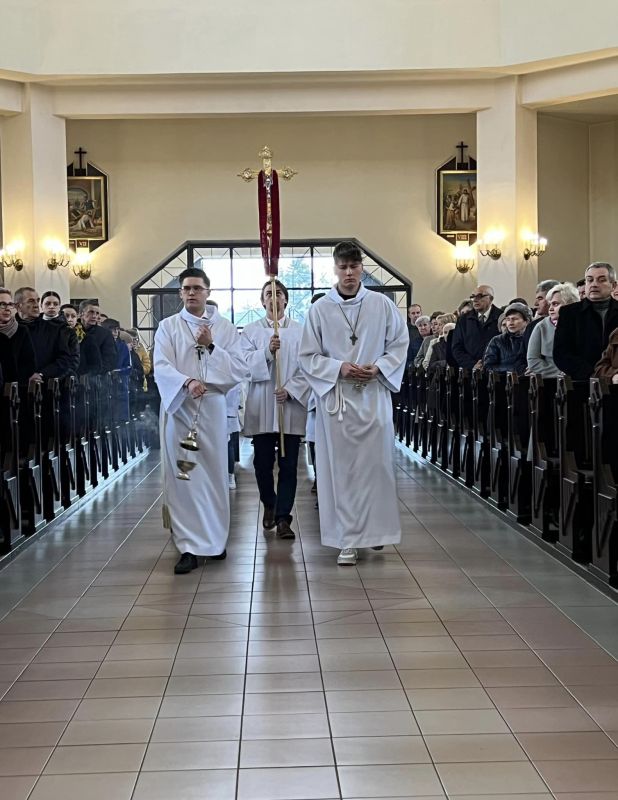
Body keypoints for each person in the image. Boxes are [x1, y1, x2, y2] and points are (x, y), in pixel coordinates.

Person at [299, 241, 408, 566]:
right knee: (342, 471)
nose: (348, 273)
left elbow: (399, 344)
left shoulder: (381, 304)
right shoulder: (320, 309)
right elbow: (307, 356)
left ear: (362, 267)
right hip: (338, 401)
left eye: (354, 266)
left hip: (373, 396)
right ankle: (347, 540)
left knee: (376, 469)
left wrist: (380, 367)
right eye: (343, 267)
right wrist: (339, 367)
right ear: (334, 269)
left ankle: (375, 532)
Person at [154, 267, 248, 574]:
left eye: (197, 288)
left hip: (212, 409)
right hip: (180, 408)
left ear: (208, 292)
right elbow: (161, 366)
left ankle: (215, 540)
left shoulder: (225, 328)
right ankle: (188, 546)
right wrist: (187, 382)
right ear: (180, 293)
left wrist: (211, 345)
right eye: (186, 288)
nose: (191, 293)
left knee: (213, 474)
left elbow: (239, 370)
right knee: (185, 476)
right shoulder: (168, 326)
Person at [240, 279, 310, 540]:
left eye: (278, 293)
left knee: (289, 465)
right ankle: (269, 502)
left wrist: (290, 389)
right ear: (262, 301)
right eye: (268, 294)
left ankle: (283, 518)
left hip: (288, 406)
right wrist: (267, 353)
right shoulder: (250, 331)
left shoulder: (301, 332)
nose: (273, 297)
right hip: (262, 404)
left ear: (285, 299)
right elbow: (243, 365)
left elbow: (309, 367)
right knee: (262, 464)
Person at [554, 262, 618, 381]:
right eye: (589, 280)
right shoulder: (569, 313)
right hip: (582, 381)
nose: (594, 284)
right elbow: (561, 354)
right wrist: (592, 374)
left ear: (613, 285)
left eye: (601, 280)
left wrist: (611, 374)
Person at [14, 286, 79, 381]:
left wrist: (42, 374)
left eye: (37, 301)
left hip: (44, 384)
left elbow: (65, 359)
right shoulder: (10, 329)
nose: (36, 305)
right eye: (31, 301)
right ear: (18, 306)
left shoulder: (55, 329)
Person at [527, 282, 579, 378]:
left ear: (570, 304)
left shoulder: (583, 323)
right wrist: (560, 372)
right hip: (550, 379)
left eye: (555, 304)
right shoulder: (541, 326)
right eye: (550, 304)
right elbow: (532, 360)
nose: (550, 309)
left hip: (580, 377)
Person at [451, 285, 501, 369]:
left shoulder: (501, 317)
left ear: (491, 299)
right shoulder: (463, 319)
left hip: (497, 369)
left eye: (480, 296)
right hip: (471, 371)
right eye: (473, 297)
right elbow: (457, 347)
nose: (475, 300)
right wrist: (472, 365)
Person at [0, 288, 36, 387]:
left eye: (10, 304)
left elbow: (29, 363)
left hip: (15, 389)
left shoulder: (21, 330)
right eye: (2, 304)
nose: (7, 308)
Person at [483, 302, 531, 375]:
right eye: (508, 319)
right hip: (504, 381)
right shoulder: (497, 341)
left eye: (515, 319)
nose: (510, 323)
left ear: (526, 321)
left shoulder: (534, 339)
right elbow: (488, 367)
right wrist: (512, 370)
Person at [77, 300, 117, 375]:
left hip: (95, 377)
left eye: (97, 313)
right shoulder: (71, 331)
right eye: (91, 312)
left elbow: (110, 359)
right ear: (81, 314)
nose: (94, 316)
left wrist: (94, 372)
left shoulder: (105, 334)